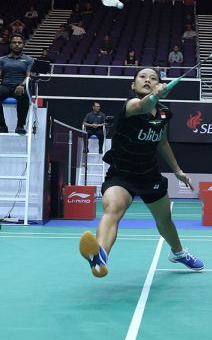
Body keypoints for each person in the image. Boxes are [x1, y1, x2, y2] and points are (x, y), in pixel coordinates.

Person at [79, 68, 204, 277]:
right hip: (122, 174)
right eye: (143, 77)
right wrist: (154, 96)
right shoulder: (130, 106)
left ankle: (178, 253)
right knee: (113, 208)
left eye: (153, 78)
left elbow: (162, 142)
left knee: (164, 220)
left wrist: (178, 171)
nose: (147, 80)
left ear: (159, 84)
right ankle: (99, 256)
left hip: (148, 174)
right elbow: (142, 105)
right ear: (133, 84)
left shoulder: (163, 113)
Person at [0, 34, 33, 134]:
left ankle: (20, 126)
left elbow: (28, 76)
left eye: (19, 42)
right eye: (14, 42)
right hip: (5, 86)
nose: (17, 44)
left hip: (20, 87)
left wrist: (22, 85)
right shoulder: (2, 59)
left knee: (24, 94)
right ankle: (1, 125)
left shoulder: (29, 60)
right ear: (10, 44)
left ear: (23, 44)